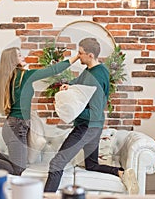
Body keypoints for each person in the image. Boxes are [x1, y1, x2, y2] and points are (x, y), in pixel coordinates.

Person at [43, 38, 139, 194]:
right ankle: (122, 173)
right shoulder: (91, 70)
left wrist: (71, 110)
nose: (78, 56)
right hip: (93, 126)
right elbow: (80, 83)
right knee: (92, 165)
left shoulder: (97, 77)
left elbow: (95, 111)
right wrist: (70, 85)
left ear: (90, 55)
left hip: (87, 127)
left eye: (80, 53)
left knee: (56, 163)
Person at [0, 47, 80, 176]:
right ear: (13, 60)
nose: (23, 57)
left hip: (14, 125)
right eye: (19, 55)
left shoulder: (10, 78)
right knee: (18, 169)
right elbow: (53, 70)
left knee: (18, 164)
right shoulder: (24, 76)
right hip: (16, 127)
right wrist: (76, 57)